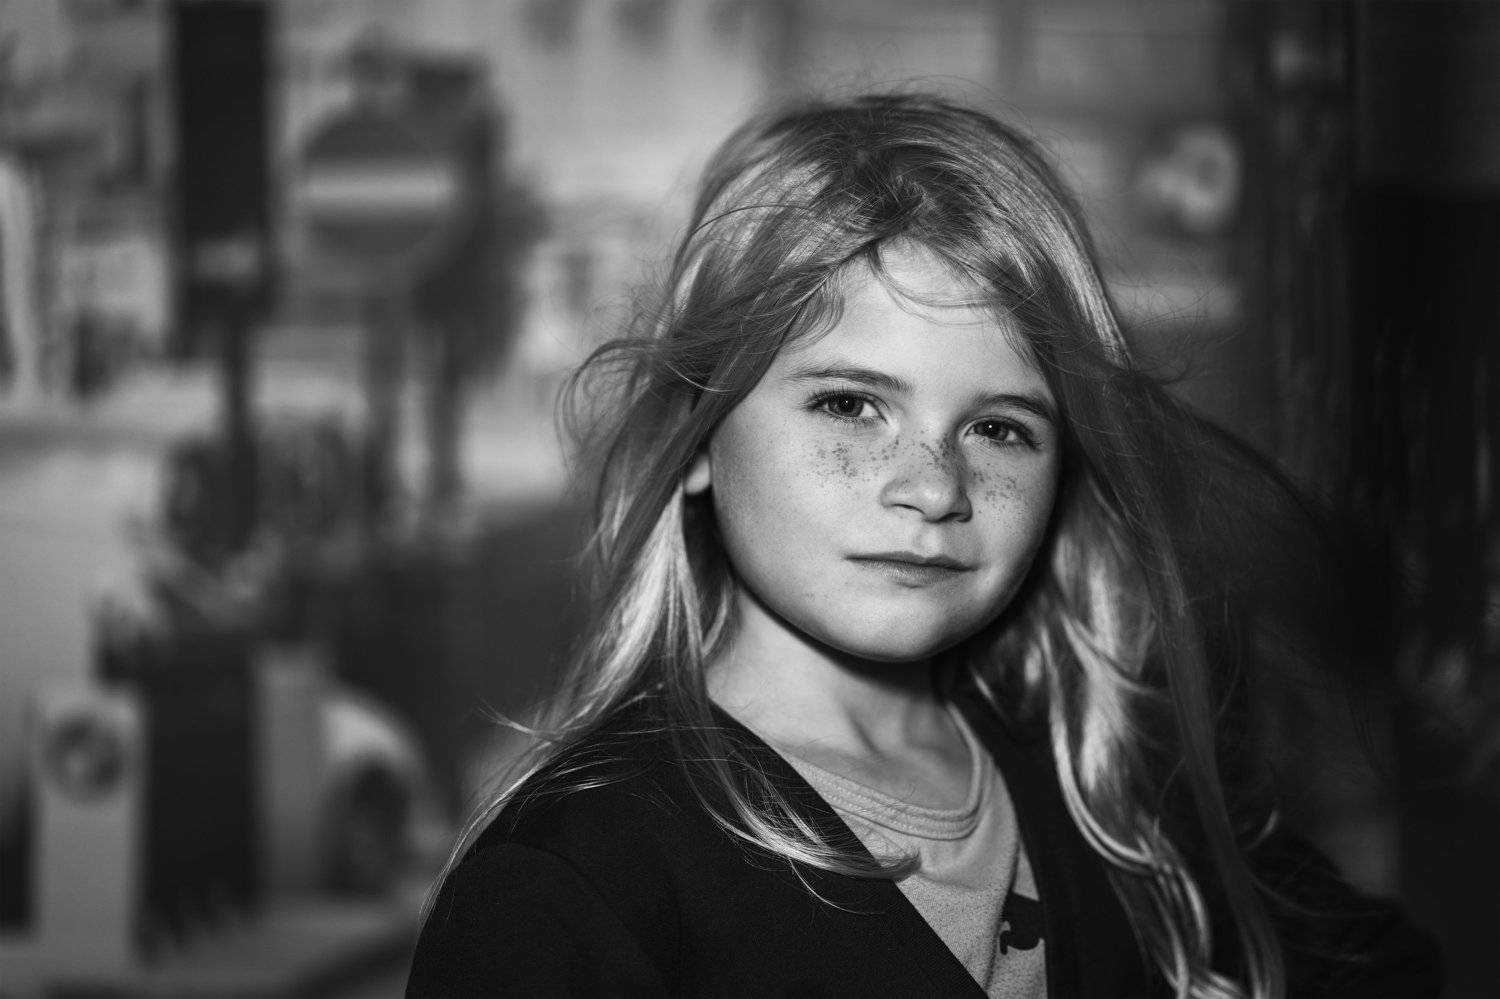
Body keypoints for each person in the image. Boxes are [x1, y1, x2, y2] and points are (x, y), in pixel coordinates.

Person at [406, 94, 1439, 998]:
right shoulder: (575, 878)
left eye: (999, 428)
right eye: (850, 405)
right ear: (697, 439)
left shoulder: (1112, 786)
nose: (936, 487)